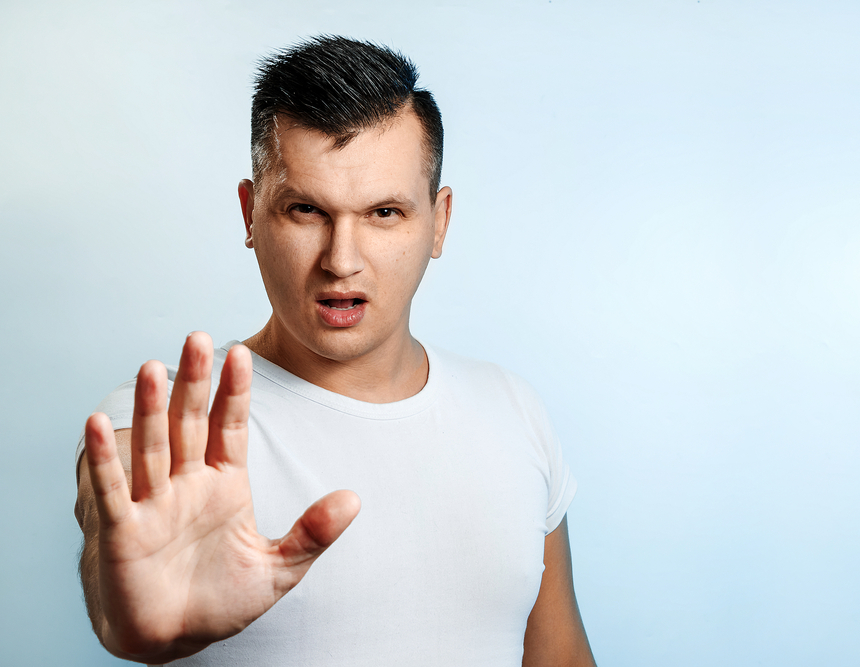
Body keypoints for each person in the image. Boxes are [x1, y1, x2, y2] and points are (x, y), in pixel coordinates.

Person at [74, 36, 596, 666]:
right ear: (249, 213)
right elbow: (115, 586)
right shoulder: (164, 421)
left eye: (383, 212)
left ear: (440, 220)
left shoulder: (513, 409)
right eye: (305, 210)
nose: (341, 260)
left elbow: (560, 655)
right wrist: (130, 620)